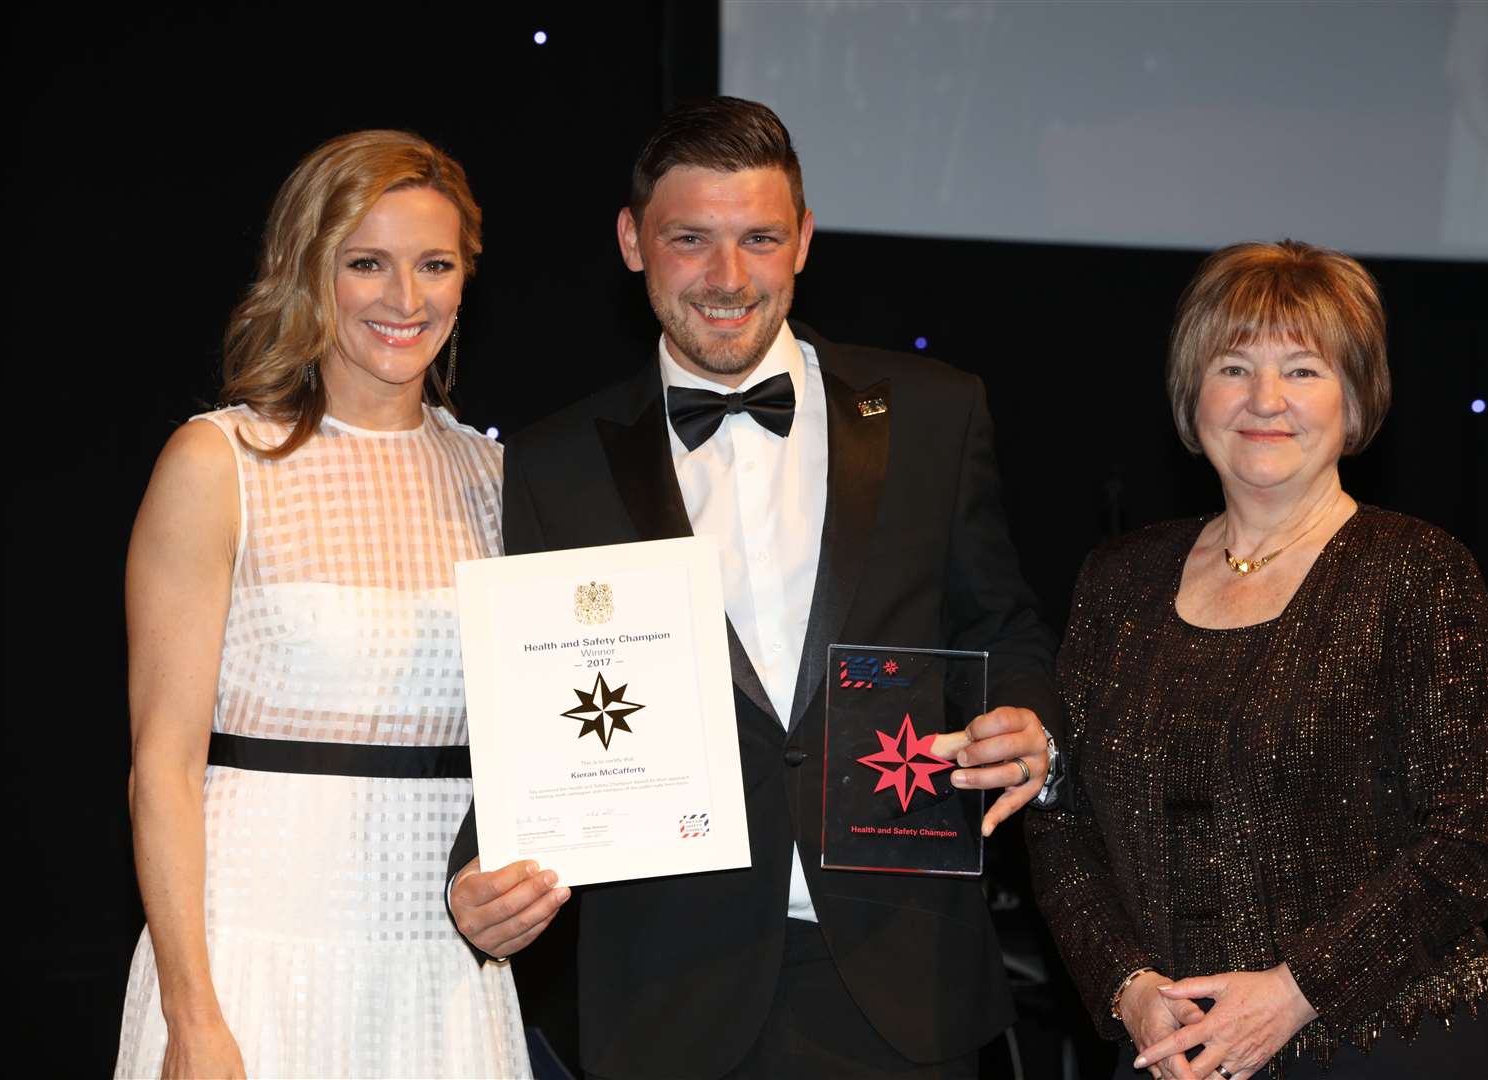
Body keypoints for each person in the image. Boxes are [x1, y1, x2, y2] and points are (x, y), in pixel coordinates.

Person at [446, 96, 1063, 1078]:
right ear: (631, 241)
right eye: (691, 239)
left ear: (805, 240)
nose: (727, 279)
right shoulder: (555, 464)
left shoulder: (937, 414)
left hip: (901, 981)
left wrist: (1027, 720)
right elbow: (530, 714)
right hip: (664, 991)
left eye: (759, 239)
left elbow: (1005, 623)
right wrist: (473, 879)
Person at [1026, 240, 1488, 1080]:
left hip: (1385, 1048)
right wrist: (1128, 987)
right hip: (1169, 1053)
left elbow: (1468, 844)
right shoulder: (1119, 579)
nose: (1264, 400)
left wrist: (1296, 991)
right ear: (1193, 393)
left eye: (1302, 370)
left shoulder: (1417, 572)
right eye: (1233, 366)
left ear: (1356, 397)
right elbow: (1059, 809)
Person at [116, 130, 535, 1078]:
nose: (405, 298)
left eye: (434, 264)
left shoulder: (505, 482)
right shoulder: (217, 464)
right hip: (249, 960)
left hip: (442, 975)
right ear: (308, 273)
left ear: (466, 279)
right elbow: (163, 767)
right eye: (366, 264)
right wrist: (194, 1017)